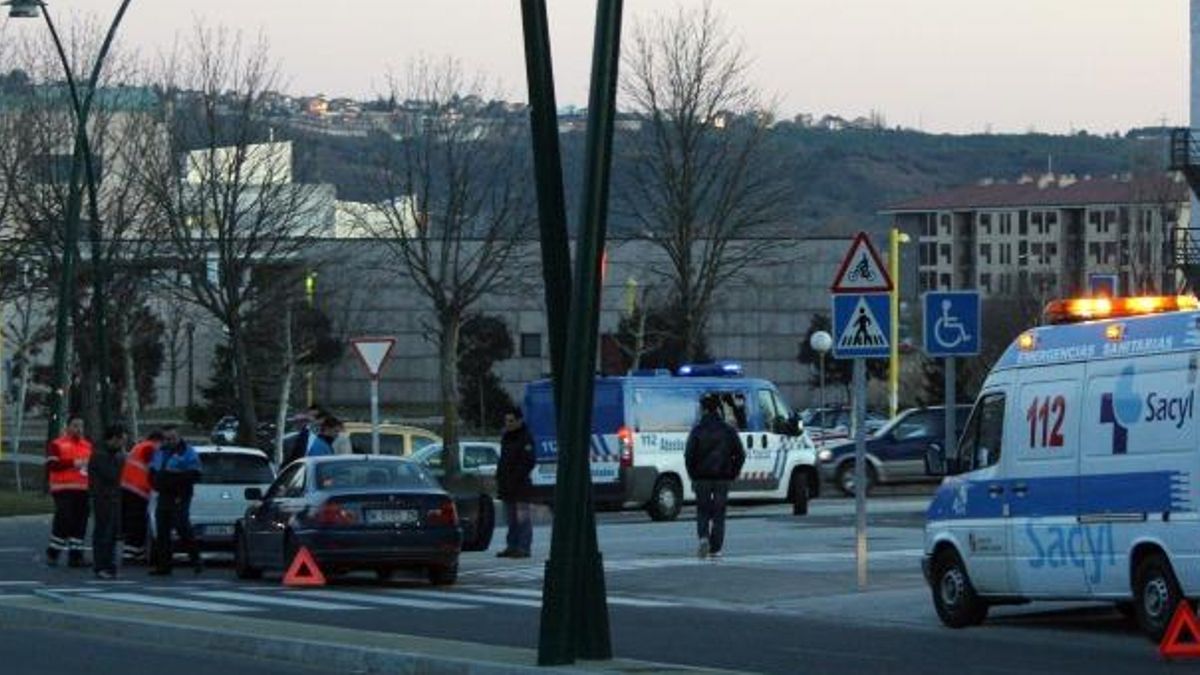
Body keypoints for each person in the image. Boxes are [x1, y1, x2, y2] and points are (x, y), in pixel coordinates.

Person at [685, 392, 746, 559]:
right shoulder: (728, 430)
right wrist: (732, 472)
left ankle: (704, 537)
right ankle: (716, 548)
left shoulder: (697, 431)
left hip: (702, 478)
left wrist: (693, 475)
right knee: (719, 514)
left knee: (702, 511)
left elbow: (689, 455)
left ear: (704, 409)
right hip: (722, 478)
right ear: (718, 410)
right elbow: (740, 454)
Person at [149, 425, 203, 575]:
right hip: (164, 494)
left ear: (178, 437)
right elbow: (153, 470)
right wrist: (156, 483)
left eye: (172, 438)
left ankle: (195, 559)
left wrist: (175, 479)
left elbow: (195, 474)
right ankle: (164, 566)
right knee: (162, 529)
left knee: (182, 526)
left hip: (181, 493)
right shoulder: (160, 451)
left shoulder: (187, 452)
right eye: (167, 438)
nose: (169, 441)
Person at [45, 417, 93, 567]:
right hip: (62, 489)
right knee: (64, 519)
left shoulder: (88, 446)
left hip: (83, 490)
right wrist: (74, 463)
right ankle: (53, 553)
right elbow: (52, 465)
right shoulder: (58, 444)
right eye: (75, 426)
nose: (78, 429)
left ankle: (76, 556)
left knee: (80, 522)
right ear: (67, 427)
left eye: (81, 426)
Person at [495, 408, 536, 559]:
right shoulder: (507, 437)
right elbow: (503, 460)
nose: (508, 424)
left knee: (522, 518)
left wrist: (515, 477)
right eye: (506, 421)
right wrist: (499, 476)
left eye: (511, 421)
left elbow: (528, 461)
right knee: (511, 519)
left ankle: (524, 548)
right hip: (507, 485)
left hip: (521, 486)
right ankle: (512, 546)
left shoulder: (526, 437)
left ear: (519, 420)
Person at [89, 424, 128, 579]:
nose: (123, 445)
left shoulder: (112, 454)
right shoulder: (101, 454)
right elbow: (111, 475)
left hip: (113, 497)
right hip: (103, 498)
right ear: (114, 439)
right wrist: (122, 459)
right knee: (103, 533)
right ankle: (101, 566)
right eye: (122, 441)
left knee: (111, 535)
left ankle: (109, 566)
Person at [120, 430, 162, 563]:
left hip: (129, 486)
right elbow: (153, 468)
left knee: (135, 522)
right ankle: (131, 554)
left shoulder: (140, 446)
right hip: (138, 489)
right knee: (136, 523)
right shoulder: (150, 448)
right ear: (158, 440)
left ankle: (136, 553)